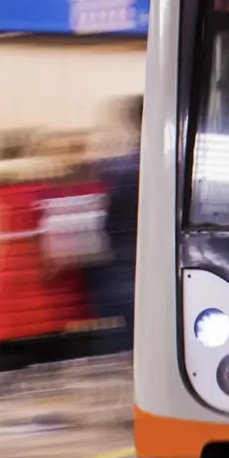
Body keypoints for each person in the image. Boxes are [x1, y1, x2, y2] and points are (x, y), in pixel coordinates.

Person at [90, 95, 143, 353]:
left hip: (125, 271)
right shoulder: (175, 165)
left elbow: (108, 224)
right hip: (148, 272)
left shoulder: (121, 168)